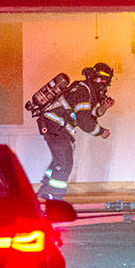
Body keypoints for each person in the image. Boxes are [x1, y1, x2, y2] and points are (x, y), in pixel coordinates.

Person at [36, 63, 114, 200]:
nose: (105, 88)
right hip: (55, 126)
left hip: (56, 126)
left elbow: (89, 113)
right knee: (65, 163)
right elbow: (84, 122)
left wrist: (104, 108)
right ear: (100, 81)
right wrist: (101, 132)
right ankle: (55, 197)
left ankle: (45, 190)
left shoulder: (86, 90)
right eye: (105, 84)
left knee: (59, 161)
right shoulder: (83, 91)